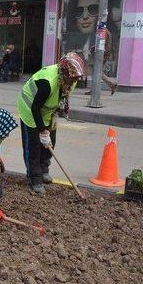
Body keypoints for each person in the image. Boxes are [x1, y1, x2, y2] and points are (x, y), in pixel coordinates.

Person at [17, 52, 87, 194]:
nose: (74, 82)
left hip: (48, 110)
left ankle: (43, 170)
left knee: (50, 143)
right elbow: (35, 108)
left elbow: (62, 98)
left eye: (75, 79)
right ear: (64, 74)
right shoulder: (47, 83)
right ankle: (34, 179)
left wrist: (54, 117)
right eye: (72, 79)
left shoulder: (70, 81)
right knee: (34, 146)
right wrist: (42, 130)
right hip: (30, 108)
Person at [65, 0, 118, 93]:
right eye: (79, 11)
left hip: (100, 55)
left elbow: (105, 45)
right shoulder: (99, 32)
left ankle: (108, 85)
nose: (85, 17)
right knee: (97, 72)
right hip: (98, 54)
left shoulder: (104, 31)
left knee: (97, 72)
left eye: (92, 9)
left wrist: (101, 53)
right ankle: (108, 85)